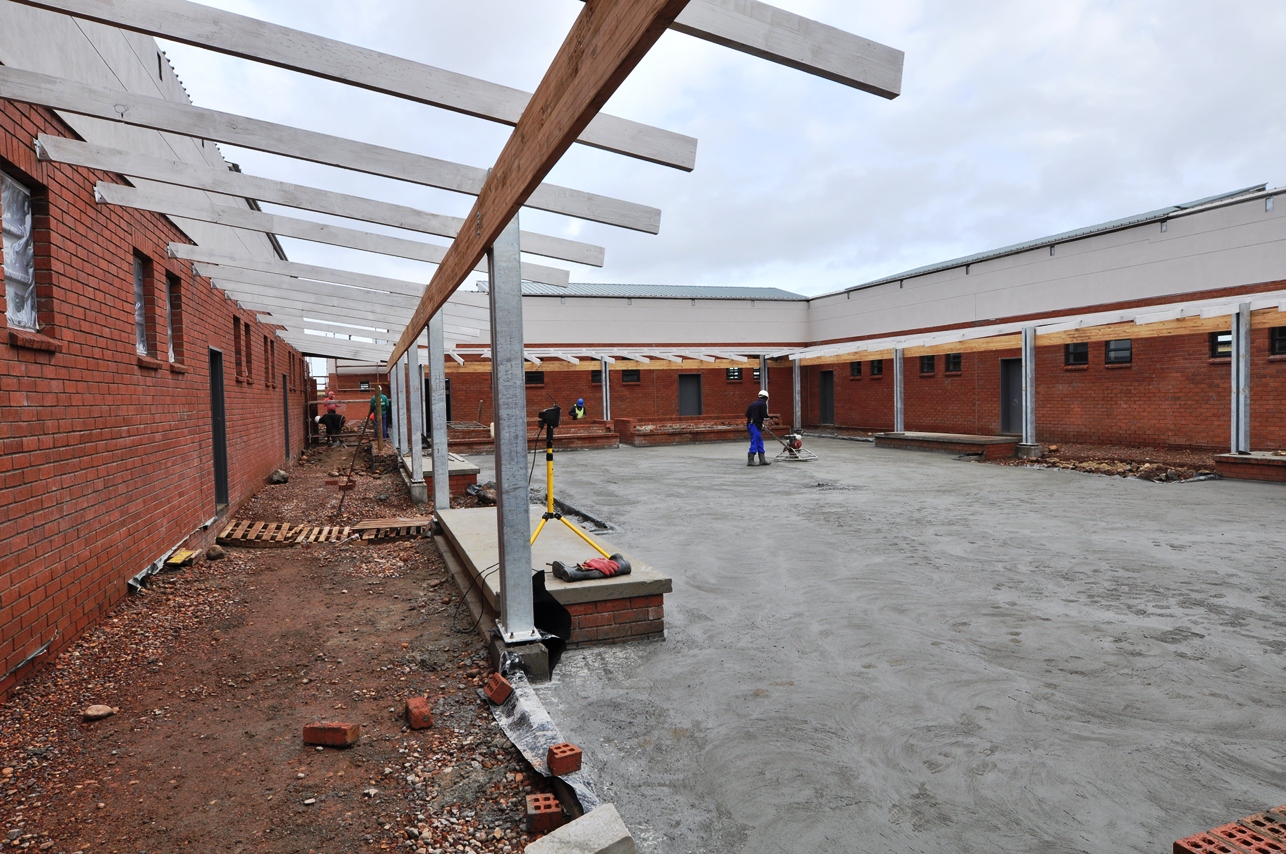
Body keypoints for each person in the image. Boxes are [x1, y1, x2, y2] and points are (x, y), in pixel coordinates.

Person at [745, 389, 770, 466]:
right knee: (755, 441)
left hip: (751, 424)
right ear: (766, 398)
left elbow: (747, 414)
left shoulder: (752, 404)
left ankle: (762, 460)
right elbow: (764, 414)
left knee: (759, 441)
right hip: (755, 425)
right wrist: (771, 417)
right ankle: (750, 460)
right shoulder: (762, 404)